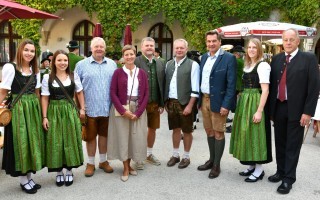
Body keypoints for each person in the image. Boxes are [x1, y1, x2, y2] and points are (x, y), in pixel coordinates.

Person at [269, 28, 319, 194]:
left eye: (291, 39)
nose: (288, 43)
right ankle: (280, 171)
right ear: (282, 42)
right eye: (285, 40)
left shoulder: (308, 59)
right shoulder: (276, 59)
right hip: (279, 107)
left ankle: (288, 179)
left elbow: (314, 88)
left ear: (298, 41)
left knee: (292, 145)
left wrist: (308, 112)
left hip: (298, 110)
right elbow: (271, 86)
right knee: (280, 142)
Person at [0, 39, 45, 194]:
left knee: (32, 141)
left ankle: (29, 177)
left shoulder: (35, 71)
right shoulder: (10, 67)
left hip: (32, 109)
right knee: (22, 142)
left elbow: (37, 93)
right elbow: (3, 92)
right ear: (20, 50)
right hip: (19, 109)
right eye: (26, 50)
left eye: (32, 51)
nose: (29, 53)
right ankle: (23, 180)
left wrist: (41, 114)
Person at [229, 38, 272, 182]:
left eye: (255, 47)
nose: (252, 50)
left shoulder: (262, 65)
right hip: (245, 101)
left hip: (255, 101)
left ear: (259, 49)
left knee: (255, 134)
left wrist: (259, 111)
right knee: (246, 133)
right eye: (250, 47)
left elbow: (265, 90)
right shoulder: (248, 65)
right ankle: (252, 165)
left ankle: (259, 169)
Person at [41, 50, 85, 187]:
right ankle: (59, 171)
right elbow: (45, 97)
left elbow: (79, 93)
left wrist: (82, 108)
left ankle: (69, 171)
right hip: (54, 110)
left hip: (70, 110)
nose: (62, 63)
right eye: (59, 60)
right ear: (54, 62)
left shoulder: (73, 75)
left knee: (70, 139)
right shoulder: (47, 77)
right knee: (55, 140)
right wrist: (45, 116)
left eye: (65, 60)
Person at [75, 37, 117, 177]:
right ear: (91, 48)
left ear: (105, 48)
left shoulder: (112, 64)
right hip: (89, 108)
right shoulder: (81, 65)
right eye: (96, 46)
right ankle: (91, 163)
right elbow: (76, 88)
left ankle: (103, 161)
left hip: (107, 108)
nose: (99, 48)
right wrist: (80, 107)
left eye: (101, 46)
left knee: (104, 135)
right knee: (90, 136)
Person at [197, 30, 236, 179]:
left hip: (219, 102)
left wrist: (226, 104)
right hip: (205, 99)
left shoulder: (228, 58)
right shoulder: (204, 57)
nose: (211, 44)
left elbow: (231, 84)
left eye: (214, 41)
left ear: (220, 42)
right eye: (209, 41)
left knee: (219, 132)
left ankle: (216, 165)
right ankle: (211, 159)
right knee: (209, 131)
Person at [108, 45, 149, 182]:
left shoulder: (142, 73)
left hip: (137, 108)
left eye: (131, 54)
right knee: (123, 138)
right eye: (126, 55)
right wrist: (122, 110)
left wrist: (138, 112)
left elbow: (146, 94)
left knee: (134, 138)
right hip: (122, 108)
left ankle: (130, 164)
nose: (129, 57)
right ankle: (125, 167)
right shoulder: (117, 73)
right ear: (123, 57)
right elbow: (113, 93)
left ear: (135, 55)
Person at [164, 39, 200, 169]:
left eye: (182, 48)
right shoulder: (168, 64)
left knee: (187, 130)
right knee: (175, 129)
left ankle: (186, 156)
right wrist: (166, 102)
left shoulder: (193, 65)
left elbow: (195, 87)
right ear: (174, 49)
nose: (179, 50)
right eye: (177, 48)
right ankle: (175, 155)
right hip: (171, 101)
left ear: (186, 49)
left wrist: (190, 105)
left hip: (185, 102)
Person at [134, 37, 165, 169]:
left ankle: (148, 154)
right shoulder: (136, 61)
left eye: (151, 46)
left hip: (154, 102)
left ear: (154, 48)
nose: (149, 48)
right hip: (139, 102)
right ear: (142, 47)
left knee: (152, 129)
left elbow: (162, 83)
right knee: (139, 130)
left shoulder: (160, 63)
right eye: (146, 45)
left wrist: (162, 103)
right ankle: (138, 157)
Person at [226, 45, 245, 133]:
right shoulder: (241, 61)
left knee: (233, 106)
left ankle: (234, 126)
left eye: (233, 53)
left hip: (236, 85)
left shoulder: (236, 61)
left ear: (236, 54)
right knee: (234, 105)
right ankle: (232, 122)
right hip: (239, 85)